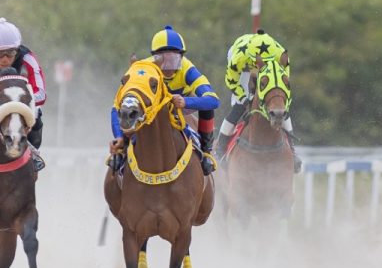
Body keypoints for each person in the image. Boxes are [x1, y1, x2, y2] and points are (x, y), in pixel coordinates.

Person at [109, 25, 220, 175]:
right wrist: (119, 136)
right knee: (131, 106)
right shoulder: (144, 68)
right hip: (153, 109)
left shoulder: (187, 69)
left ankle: (206, 152)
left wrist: (185, 102)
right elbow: (116, 106)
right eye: (161, 59)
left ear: (182, 57)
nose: (167, 67)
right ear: (153, 57)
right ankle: (122, 149)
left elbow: (213, 100)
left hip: (180, 105)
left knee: (207, 108)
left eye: (173, 59)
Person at [214, 29, 300, 172]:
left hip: (268, 66)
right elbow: (232, 81)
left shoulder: (281, 56)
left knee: (278, 102)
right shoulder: (239, 58)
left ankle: (292, 150)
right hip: (243, 67)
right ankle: (220, 149)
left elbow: (284, 87)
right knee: (240, 105)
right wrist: (243, 97)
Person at [0, 18, 47, 170]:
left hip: (21, 105)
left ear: (18, 50)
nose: (6, 59)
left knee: (37, 113)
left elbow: (41, 93)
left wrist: (18, 106)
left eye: (11, 53)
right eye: (0, 54)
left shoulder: (28, 58)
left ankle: (33, 155)